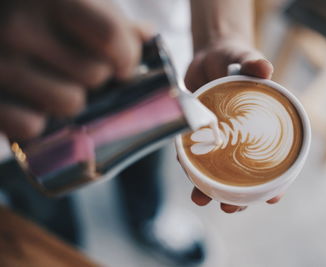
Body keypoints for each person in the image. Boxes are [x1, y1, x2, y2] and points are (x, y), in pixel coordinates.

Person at [0, 0, 281, 265]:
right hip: (13, 108)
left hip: (162, 73)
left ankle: (148, 217)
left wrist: (221, 34)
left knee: (145, 159)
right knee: (41, 202)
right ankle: (67, 249)